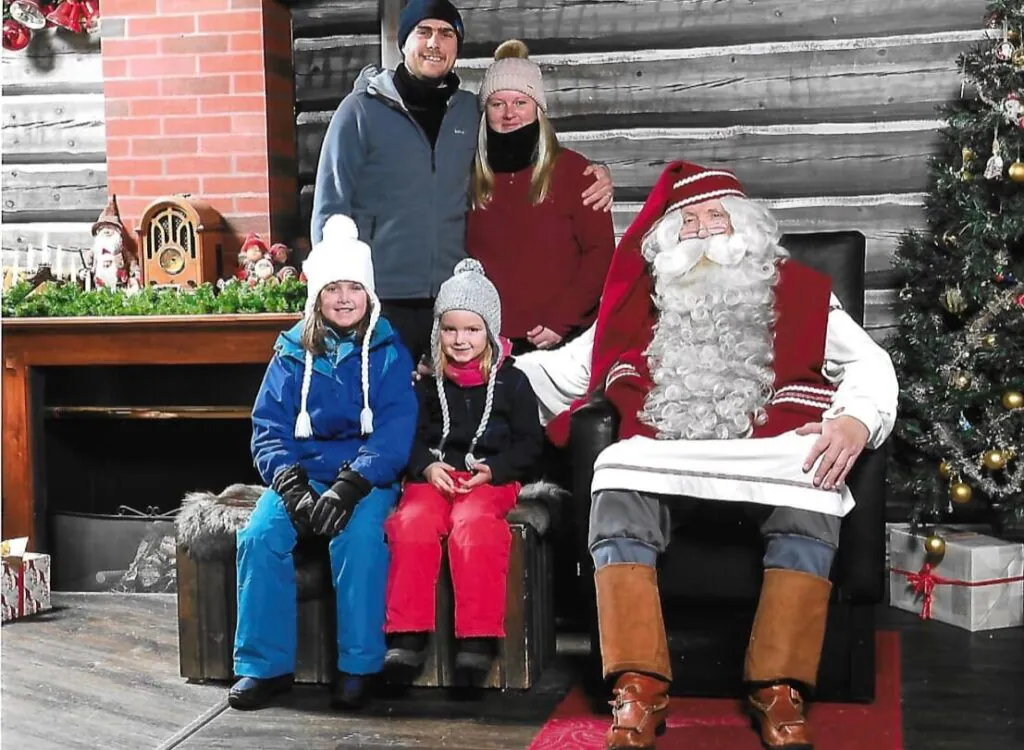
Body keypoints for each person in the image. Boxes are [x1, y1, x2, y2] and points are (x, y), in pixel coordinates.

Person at [515, 161, 898, 750]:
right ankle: (637, 685)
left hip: (765, 457)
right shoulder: (642, 303)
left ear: (744, 228)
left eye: (716, 217)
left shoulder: (800, 289)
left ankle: (779, 686)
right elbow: (565, 371)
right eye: (687, 222)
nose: (703, 232)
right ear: (668, 242)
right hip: (669, 458)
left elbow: (870, 365)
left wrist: (855, 418)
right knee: (616, 479)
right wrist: (484, 369)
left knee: (812, 484)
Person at [311, 0, 612, 365]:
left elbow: (522, 147)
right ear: (405, 41)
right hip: (382, 300)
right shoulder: (359, 113)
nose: (434, 43)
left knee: (445, 414)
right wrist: (340, 296)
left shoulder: (469, 113)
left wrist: (598, 171)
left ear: (457, 47)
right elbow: (329, 212)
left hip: (454, 305)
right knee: (386, 408)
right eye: (423, 32)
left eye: (446, 33)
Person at [229, 215, 418, 712]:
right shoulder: (291, 352)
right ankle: (261, 667)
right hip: (303, 474)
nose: (343, 297)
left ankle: (360, 666)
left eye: (353, 286)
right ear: (317, 295)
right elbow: (268, 426)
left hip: (363, 477)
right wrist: (289, 486)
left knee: (358, 540)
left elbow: (398, 429)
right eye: (332, 287)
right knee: (259, 536)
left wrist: (353, 485)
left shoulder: (388, 352)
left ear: (369, 293)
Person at [382, 259, 543, 676]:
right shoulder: (426, 384)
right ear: (439, 332)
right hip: (434, 475)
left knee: (473, 525)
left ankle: (477, 639)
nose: (460, 339)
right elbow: (409, 437)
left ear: (489, 332)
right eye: (450, 329)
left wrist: (496, 469)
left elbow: (530, 442)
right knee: (412, 522)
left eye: (472, 330)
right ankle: (407, 635)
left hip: (486, 479)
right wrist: (425, 467)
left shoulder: (514, 381)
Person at [467, 40, 615, 353]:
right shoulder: (471, 176)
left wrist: (562, 319)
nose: (509, 113)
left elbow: (599, 252)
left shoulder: (575, 172)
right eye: (498, 104)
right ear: (485, 112)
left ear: (538, 109)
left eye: (520, 102)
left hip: (559, 342)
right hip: (487, 342)